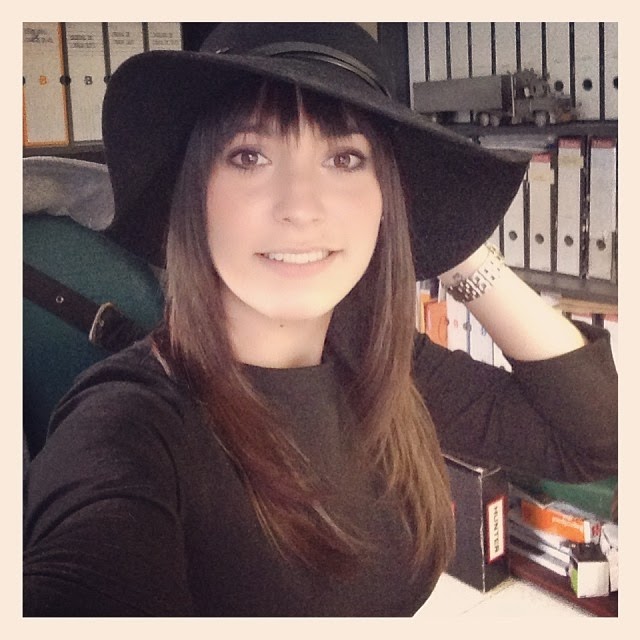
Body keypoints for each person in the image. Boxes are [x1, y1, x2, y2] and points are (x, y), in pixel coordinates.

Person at [23, 23, 617, 617]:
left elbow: (595, 439)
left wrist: (455, 245)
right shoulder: (128, 427)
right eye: (250, 156)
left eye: (345, 158)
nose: (301, 207)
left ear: (388, 199)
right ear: (192, 193)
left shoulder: (380, 361)